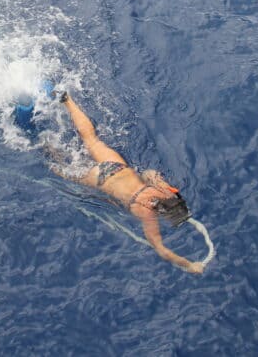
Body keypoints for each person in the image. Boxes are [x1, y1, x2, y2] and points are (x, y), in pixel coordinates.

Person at [49, 91, 205, 274]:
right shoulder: (147, 214)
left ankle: (67, 100)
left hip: (117, 167)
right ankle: (46, 145)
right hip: (101, 179)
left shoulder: (163, 190)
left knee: (92, 141)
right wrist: (190, 265)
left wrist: (150, 178)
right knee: (62, 172)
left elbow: (149, 173)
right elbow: (162, 250)